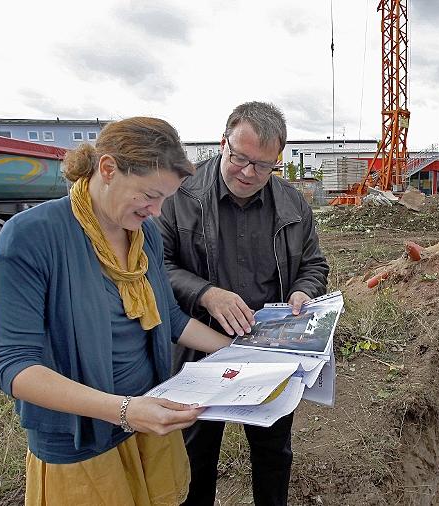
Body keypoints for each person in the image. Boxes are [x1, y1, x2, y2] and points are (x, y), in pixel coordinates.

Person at [0, 117, 233, 505]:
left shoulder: (144, 233)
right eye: (149, 195)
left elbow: (168, 318)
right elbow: (14, 367)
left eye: (165, 199)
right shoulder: (31, 236)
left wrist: (240, 354)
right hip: (80, 439)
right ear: (107, 169)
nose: (156, 211)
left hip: (149, 417)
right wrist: (122, 411)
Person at [158, 102, 329, 505]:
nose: (249, 173)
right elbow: (156, 267)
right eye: (240, 158)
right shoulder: (179, 196)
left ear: (277, 161)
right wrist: (205, 292)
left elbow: (313, 264)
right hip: (195, 347)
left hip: (269, 347)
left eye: (264, 165)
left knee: (273, 450)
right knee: (194, 453)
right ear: (223, 143)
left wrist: (304, 290)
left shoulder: (292, 203)